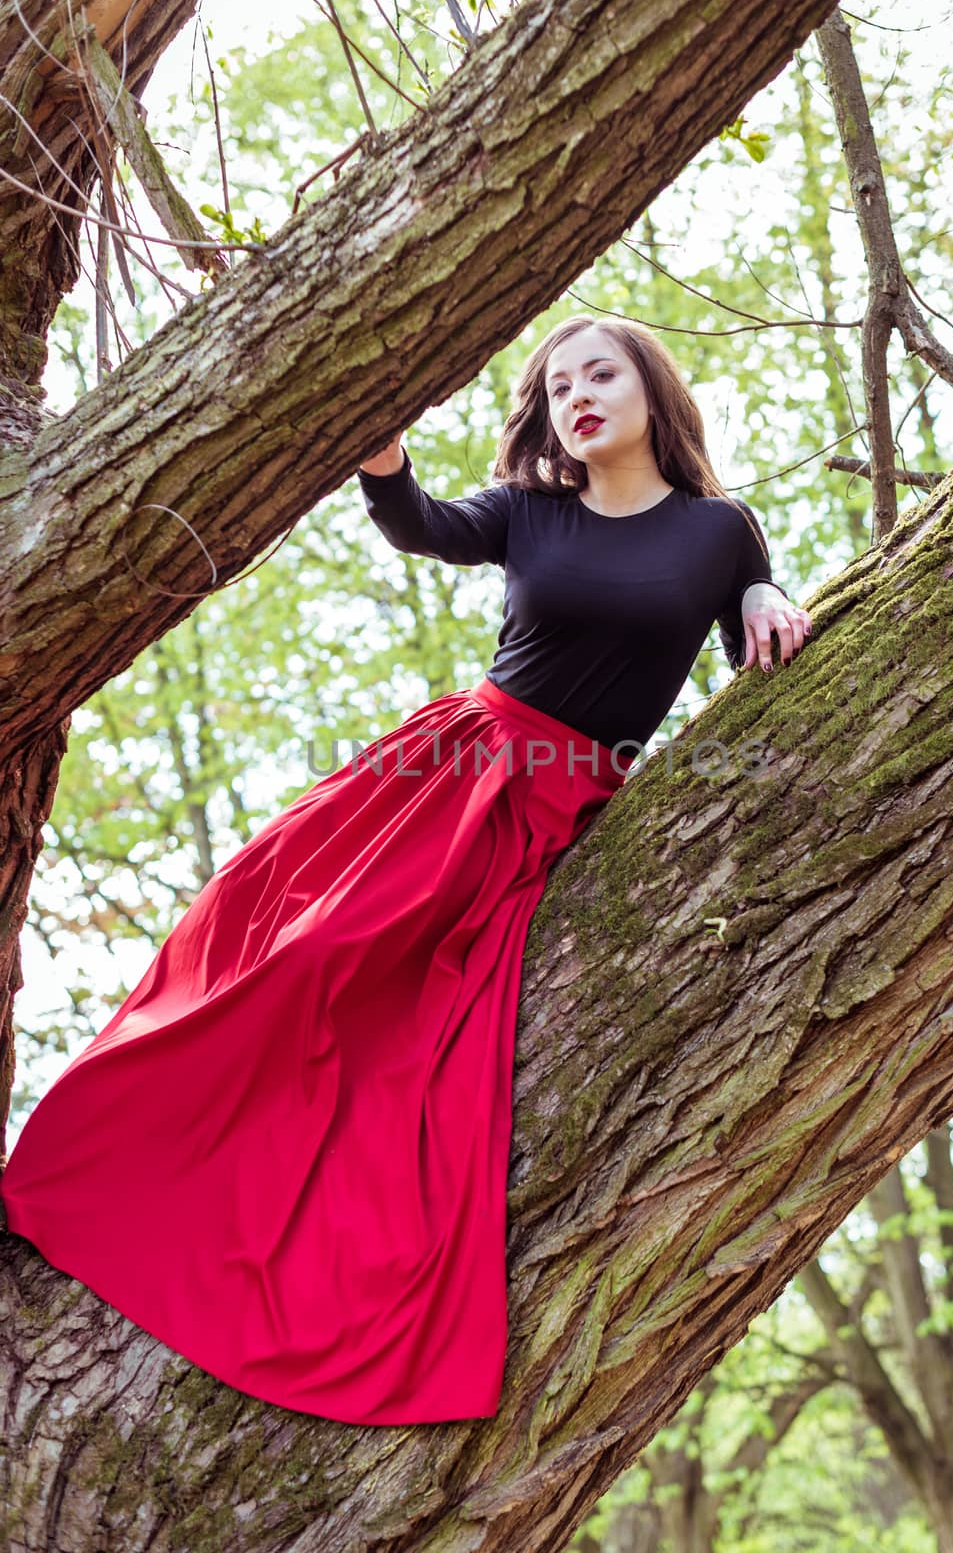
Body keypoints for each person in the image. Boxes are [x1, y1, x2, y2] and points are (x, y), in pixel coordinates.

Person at [0, 315, 811, 1427]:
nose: (577, 393)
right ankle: (106, 1170)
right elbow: (423, 525)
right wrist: (384, 460)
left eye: (600, 372)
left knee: (421, 1051)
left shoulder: (721, 531)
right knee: (303, 952)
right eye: (557, 383)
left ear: (650, 389)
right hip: (455, 774)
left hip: (569, 801)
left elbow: (744, 619)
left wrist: (766, 596)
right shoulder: (531, 513)